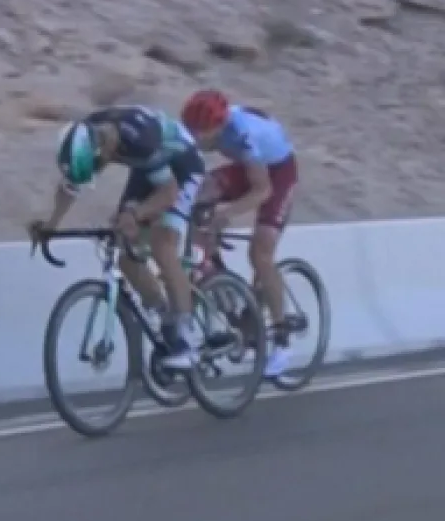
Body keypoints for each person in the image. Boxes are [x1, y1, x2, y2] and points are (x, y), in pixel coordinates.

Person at [31, 105, 230, 370]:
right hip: (148, 167)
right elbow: (72, 186)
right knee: (125, 253)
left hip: (182, 165)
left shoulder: (139, 141)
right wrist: (51, 226)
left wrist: (136, 214)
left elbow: (169, 192)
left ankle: (186, 338)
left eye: (99, 164)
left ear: (104, 150)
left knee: (162, 245)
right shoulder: (90, 133)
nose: (99, 168)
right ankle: (165, 316)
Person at [180, 89, 299, 378]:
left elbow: (263, 190)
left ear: (219, 127)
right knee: (199, 195)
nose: (196, 138)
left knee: (260, 254)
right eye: (192, 130)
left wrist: (227, 213)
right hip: (247, 165)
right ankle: (216, 273)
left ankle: (282, 339)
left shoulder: (242, 134)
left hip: (279, 174)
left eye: (201, 133)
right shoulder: (212, 126)